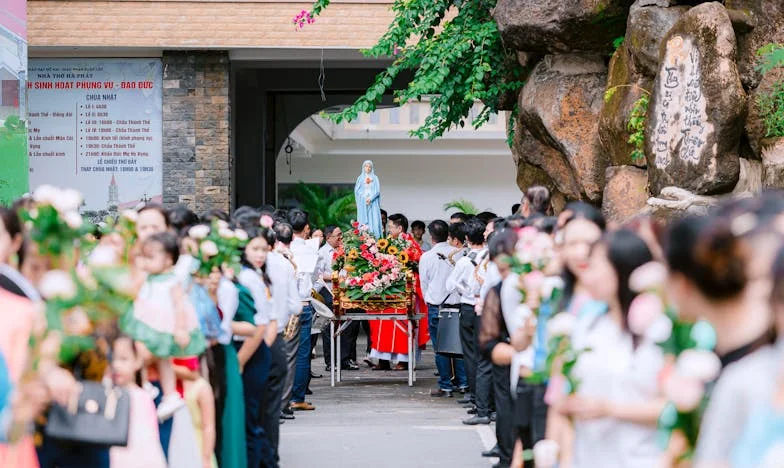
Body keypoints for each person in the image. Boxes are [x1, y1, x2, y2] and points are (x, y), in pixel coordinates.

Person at [552, 230, 664, 467]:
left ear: (622, 269)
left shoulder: (659, 330)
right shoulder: (587, 325)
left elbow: (678, 407)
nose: (586, 275)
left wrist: (610, 409)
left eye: (594, 266)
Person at [126, 232, 207, 423]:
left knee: (161, 358)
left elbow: (179, 306)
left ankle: (169, 394)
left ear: (168, 260)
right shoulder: (148, 277)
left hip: (162, 325)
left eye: (150, 257)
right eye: (144, 257)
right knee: (149, 353)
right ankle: (149, 386)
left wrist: (180, 328)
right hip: (148, 322)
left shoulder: (172, 281)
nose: (146, 262)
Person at [236, 226, 275, 467]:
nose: (260, 254)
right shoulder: (250, 275)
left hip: (249, 350)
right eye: (255, 249)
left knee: (250, 419)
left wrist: (240, 361)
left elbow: (263, 324)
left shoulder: (250, 277)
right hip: (254, 349)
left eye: (264, 249)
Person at [446, 217, 490, 425]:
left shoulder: (464, 261)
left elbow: (449, 285)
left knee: (471, 355)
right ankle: (486, 401)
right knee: (486, 355)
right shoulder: (491, 256)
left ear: (466, 238)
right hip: (489, 309)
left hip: (469, 309)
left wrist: (467, 290)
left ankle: (476, 398)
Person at [420, 220, 467, 397]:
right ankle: (463, 383)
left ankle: (445, 385)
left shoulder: (427, 257)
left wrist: (430, 300)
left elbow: (424, 284)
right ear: (448, 235)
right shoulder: (460, 254)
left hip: (437, 306)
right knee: (459, 345)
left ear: (431, 237)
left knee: (440, 347)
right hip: (458, 305)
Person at [109, 336, 167, 468]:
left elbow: (151, 437)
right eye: (113, 359)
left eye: (123, 359)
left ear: (137, 361)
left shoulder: (142, 397)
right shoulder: (108, 394)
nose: (116, 365)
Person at [287, 209, 318, 411]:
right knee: (301, 354)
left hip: (285, 305)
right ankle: (297, 397)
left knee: (285, 352)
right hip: (303, 304)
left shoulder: (282, 249)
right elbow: (314, 277)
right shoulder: (311, 249)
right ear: (306, 228)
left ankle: (283, 396)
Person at [354, 160, 383, 237]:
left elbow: (377, 191)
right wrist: (364, 198)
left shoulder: (375, 178)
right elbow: (357, 191)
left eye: (370, 166)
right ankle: (365, 236)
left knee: (374, 220)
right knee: (364, 222)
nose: (368, 168)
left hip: (373, 203)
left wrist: (371, 198)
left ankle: (375, 236)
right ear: (363, 167)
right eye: (366, 166)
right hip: (363, 203)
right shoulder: (360, 178)